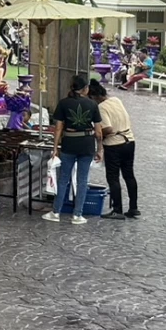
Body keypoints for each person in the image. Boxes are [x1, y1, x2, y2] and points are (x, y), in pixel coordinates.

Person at [43, 74, 102, 225]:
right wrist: (100, 149)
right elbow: (98, 132)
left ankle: (56, 212)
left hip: (69, 143)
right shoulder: (93, 105)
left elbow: (58, 129)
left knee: (63, 179)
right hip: (87, 144)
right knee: (82, 180)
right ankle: (77, 215)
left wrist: (55, 148)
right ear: (85, 89)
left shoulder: (63, 103)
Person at [87, 81, 138, 219]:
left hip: (114, 145)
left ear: (94, 97)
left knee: (113, 177)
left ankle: (117, 210)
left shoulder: (101, 107)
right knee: (129, 175)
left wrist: (95, 134)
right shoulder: (116, 99)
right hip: (129, 141)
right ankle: (133, 207)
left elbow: (108, 129)